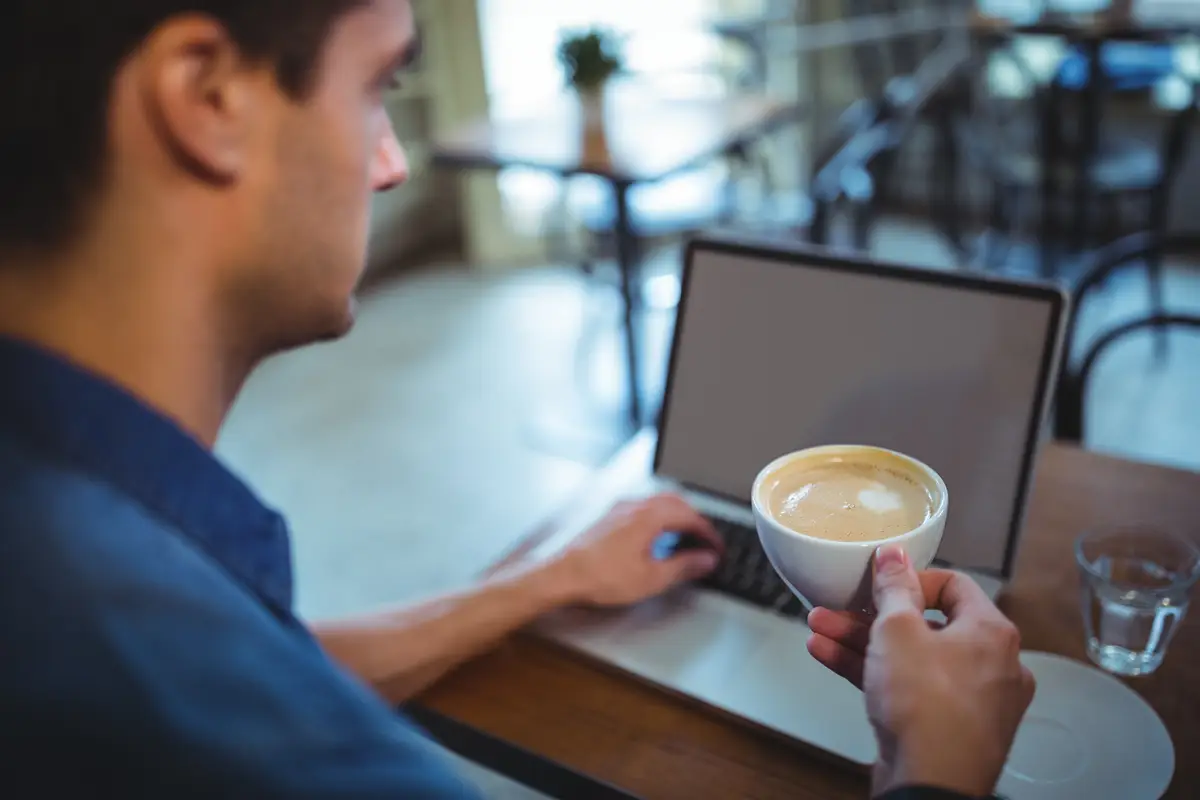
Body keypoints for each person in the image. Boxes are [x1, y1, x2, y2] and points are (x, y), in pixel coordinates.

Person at [0, 1, 1033, 797]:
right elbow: (229, 695)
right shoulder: (186, 694)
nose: (395, 163)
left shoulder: (107, 563)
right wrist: (934, 770)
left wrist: (541, 581)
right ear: (205, 97)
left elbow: (267, 668)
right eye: (376, 90)